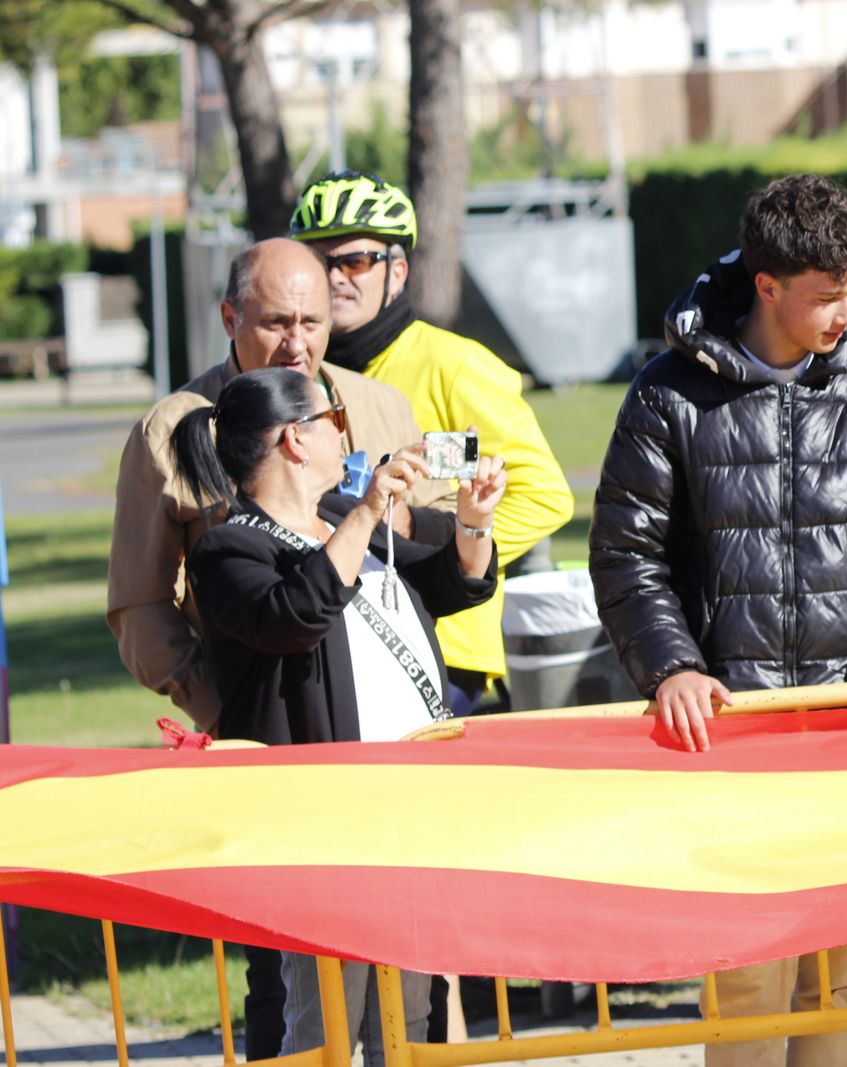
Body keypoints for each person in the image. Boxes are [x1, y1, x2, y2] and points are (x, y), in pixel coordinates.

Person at [589, 173, 847, 1067]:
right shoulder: (666, 394)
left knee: (844, 976)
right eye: (828, 295)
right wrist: (672, 666)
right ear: (766, 285)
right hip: (730, 730)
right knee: (747, 978)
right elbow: (626, 555)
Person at [106, 237, 448, 1060]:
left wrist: (467, 531)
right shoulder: (173, 429)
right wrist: (233, 713)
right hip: (278, 761)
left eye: (313, 322)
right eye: (275, 323)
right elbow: (142, 605)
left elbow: (415, 560)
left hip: (393, 763)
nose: (298, 342)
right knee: (296, 990)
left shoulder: (377, 405)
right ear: (231, 317)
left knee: (411, 993)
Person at [172, 367, 504, 1065]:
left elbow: (449, 582)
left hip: (406, 813)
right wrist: (367, 510)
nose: (345, 435)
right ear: (296, 439)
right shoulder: (229, 548)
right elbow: (292, 614)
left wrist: (473, 519)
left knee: (412, 1017)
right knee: (323, 1021)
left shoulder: (342, 522)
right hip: (322, 826)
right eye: (335, 420)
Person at [288, 170, 574, 715]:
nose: (336, 277)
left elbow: (544, 496)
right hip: (338, 636)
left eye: (355, 261)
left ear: (397, 272)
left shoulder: (454, 365)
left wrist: (437, 542)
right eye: (319, 263)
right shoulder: (299, 378)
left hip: (445, 643)